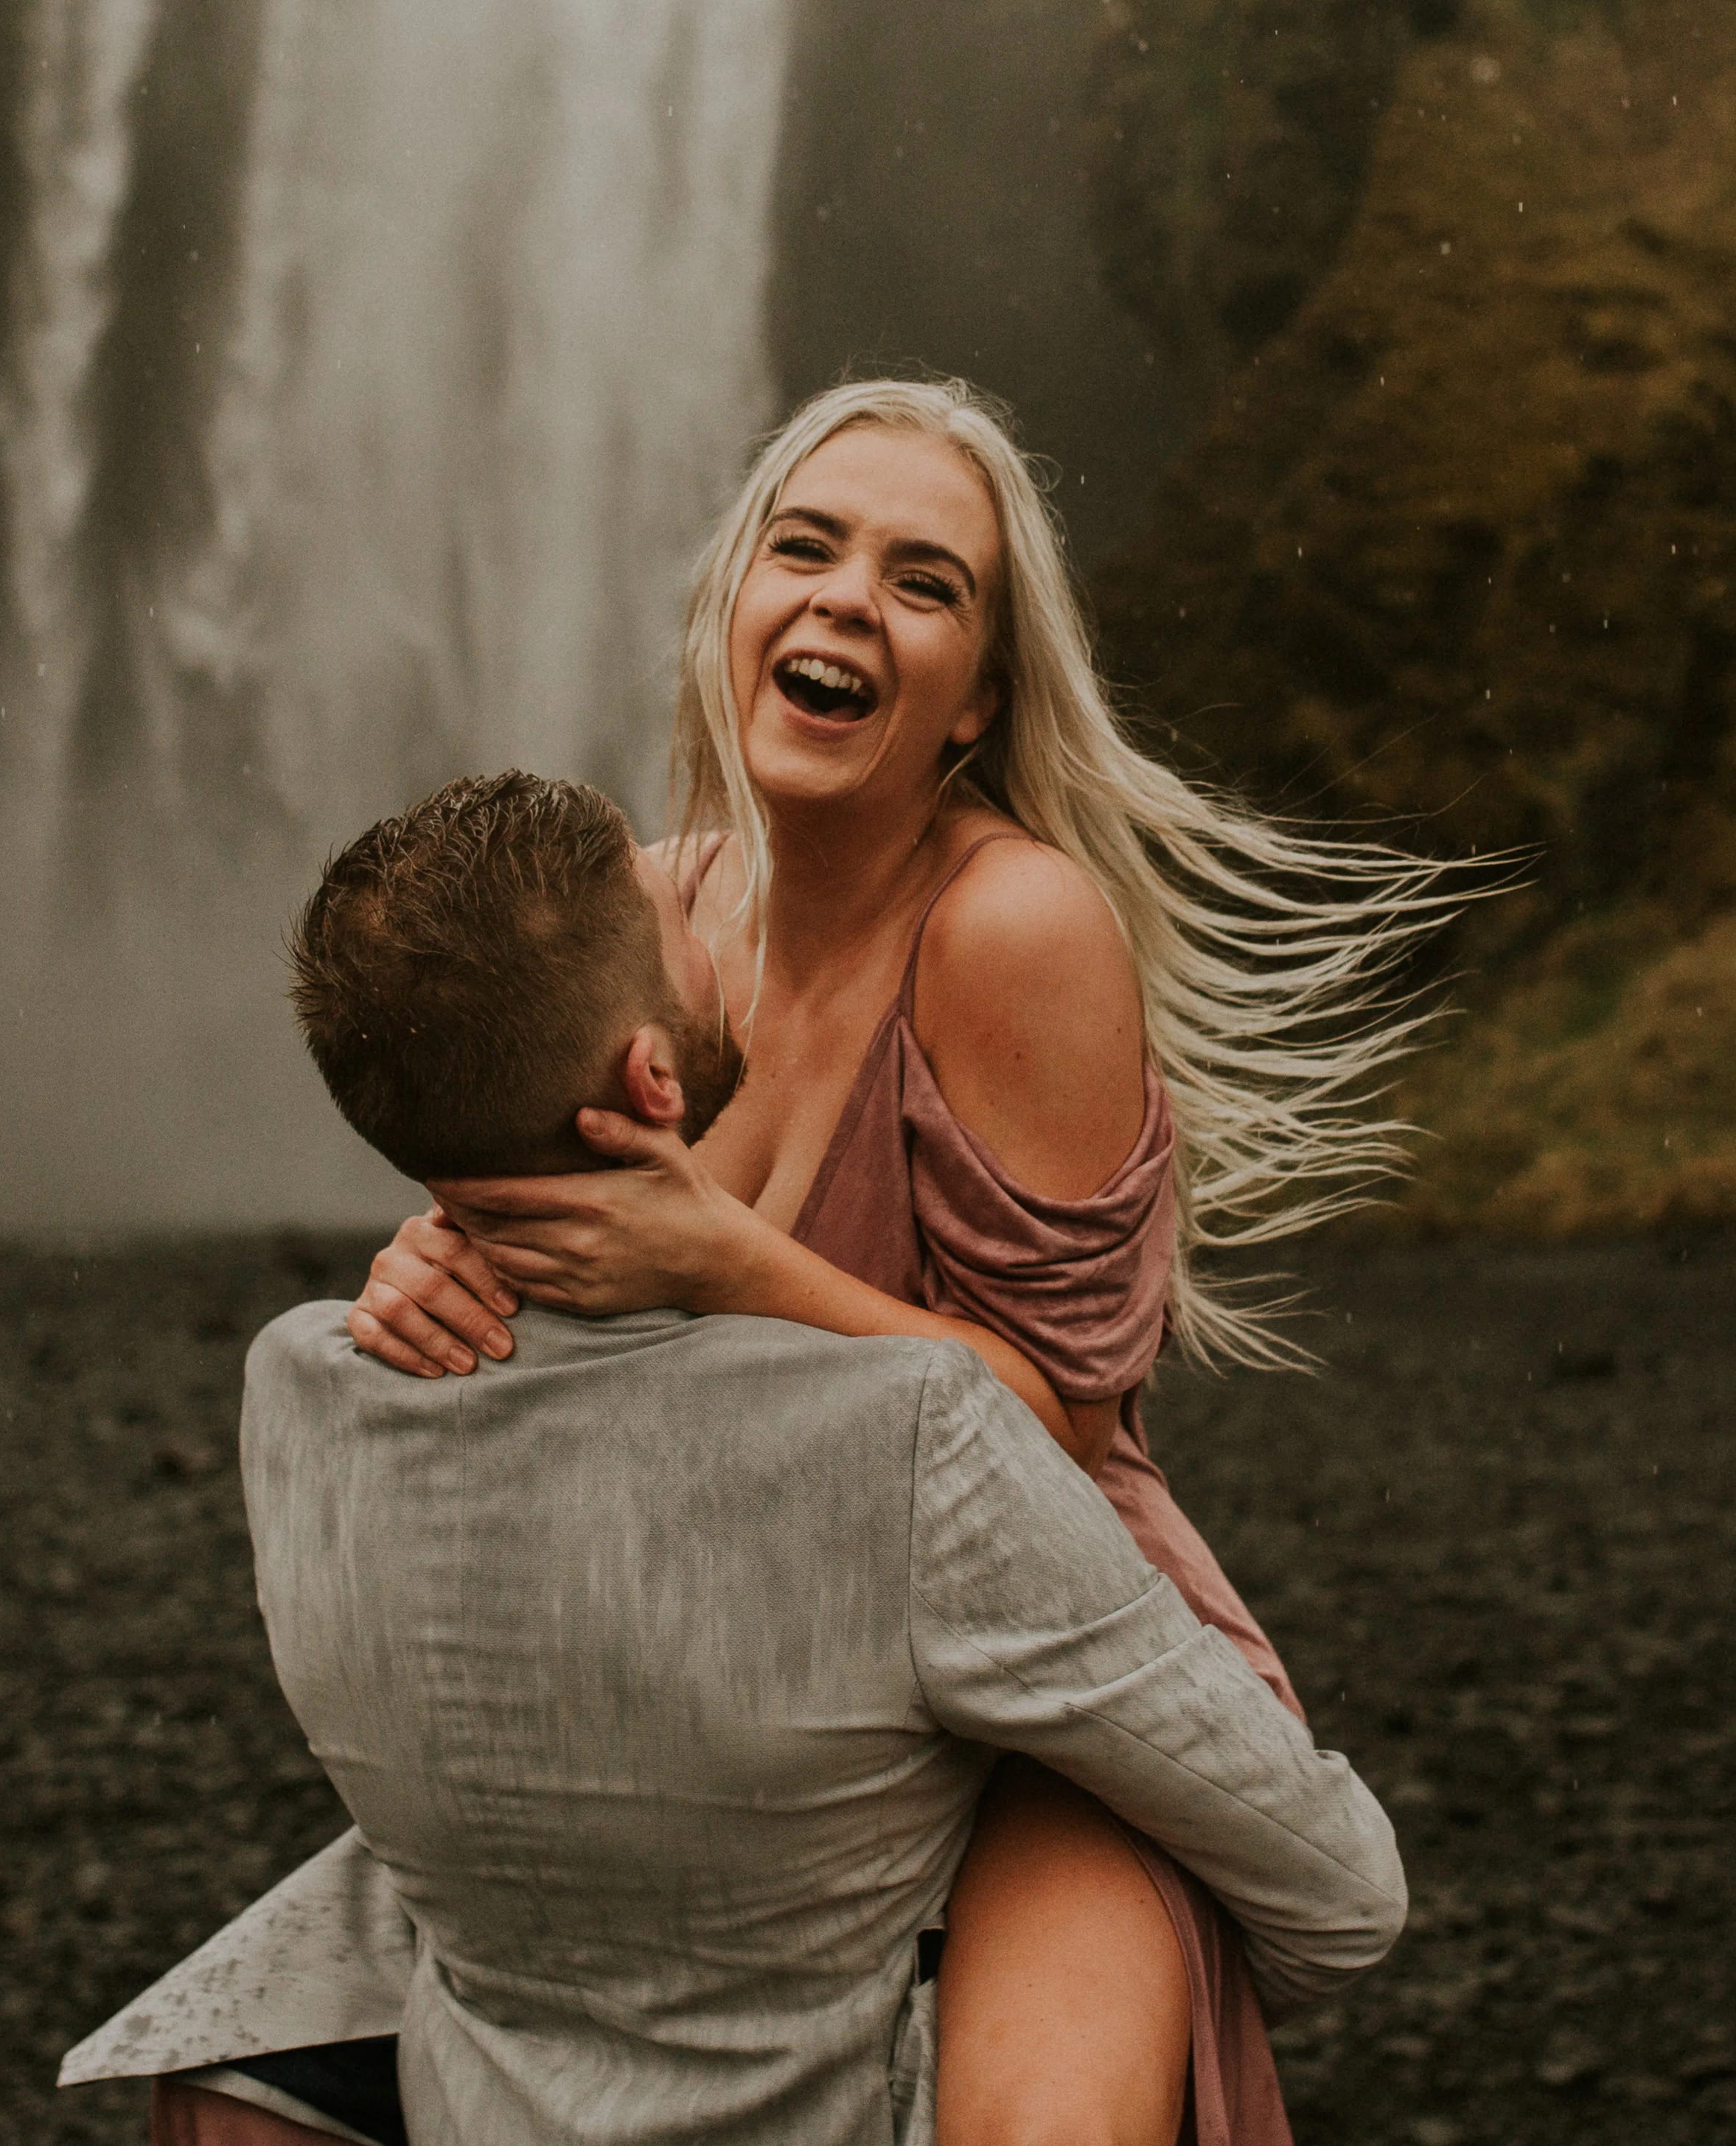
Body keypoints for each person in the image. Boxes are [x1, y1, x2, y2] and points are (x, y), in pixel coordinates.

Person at [349, 377, 1452, 2145]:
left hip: (1054, 1688)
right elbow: (560, 1264)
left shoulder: (1012, 928)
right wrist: (440, 1268)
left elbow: (1066, 1436)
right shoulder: (646, 907)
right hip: (749, 1680)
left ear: (976, 703)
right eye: (806, 547)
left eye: (924, 582)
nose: (849, 597)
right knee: (237, 2080)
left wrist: (722, 1262)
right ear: (732, 607)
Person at [61, 770, 1406, 2146]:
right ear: (650, 1075)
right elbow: (1338, 1878)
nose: (720, 920)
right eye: (689, 917)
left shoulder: (298, 1391)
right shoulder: (905, 1435)